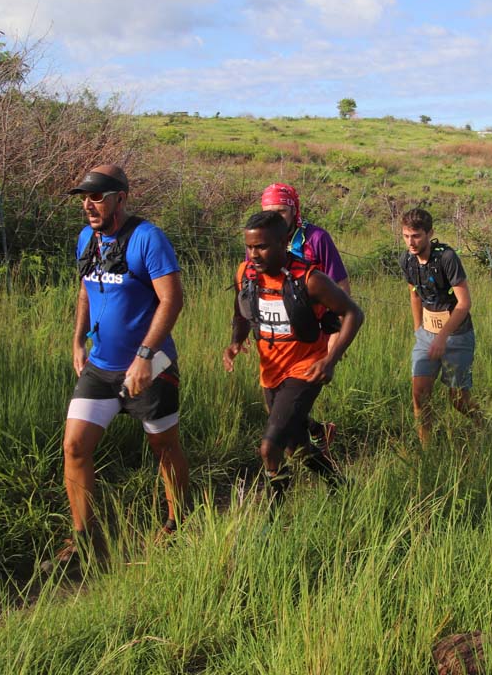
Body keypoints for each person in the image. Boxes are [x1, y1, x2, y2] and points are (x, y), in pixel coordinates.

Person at [53, 165, 189, 571]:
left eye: (97, 196)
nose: (88, 205)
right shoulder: (87, 239)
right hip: (100, 366)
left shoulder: (148, 238)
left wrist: (145, 357)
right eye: (84, 197)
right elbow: (84, 290)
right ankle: (84, 539)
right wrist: (77, 339)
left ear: (121, 198)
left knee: (163, 447)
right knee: (75, 447)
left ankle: (177, 522)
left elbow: (172, 300)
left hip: (150, 366)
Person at [223, 211, 363, 502]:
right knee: (294, 447)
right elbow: (241, 311)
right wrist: (236, 342)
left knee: (269, 447)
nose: (254, 254)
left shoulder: (310, 279)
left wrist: (330, 359)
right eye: (249, 247)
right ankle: (341, 486)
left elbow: (353, 313)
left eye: (261, 246)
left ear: (283, 242)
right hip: (270, 371)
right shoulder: (245, 274)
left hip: (305, 369)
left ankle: (274, 516)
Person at [259, 182, 350, 453]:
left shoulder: (316, 239)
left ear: (295, 211)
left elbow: (342, 289)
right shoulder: (260, 241)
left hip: (314, 340)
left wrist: (334, 343)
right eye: (269, 211)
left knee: (286, 418)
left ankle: (310, 466)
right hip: (278, 340)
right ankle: (318, 433)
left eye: (282, 212)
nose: (276, 218)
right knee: (275, 407)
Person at [399, 207, 479, 446]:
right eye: (405, 236)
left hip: (456, 336)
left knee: (458, 401)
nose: (411, 242)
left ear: (429, 233)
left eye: (416, 236)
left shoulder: (446, 258)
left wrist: (442, 337)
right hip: (427, 336)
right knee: (419, 395)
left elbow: (464, 303)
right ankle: (427, 448)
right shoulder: (406, 260)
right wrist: (418, 330)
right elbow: (414, 293)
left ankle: (483, 424)